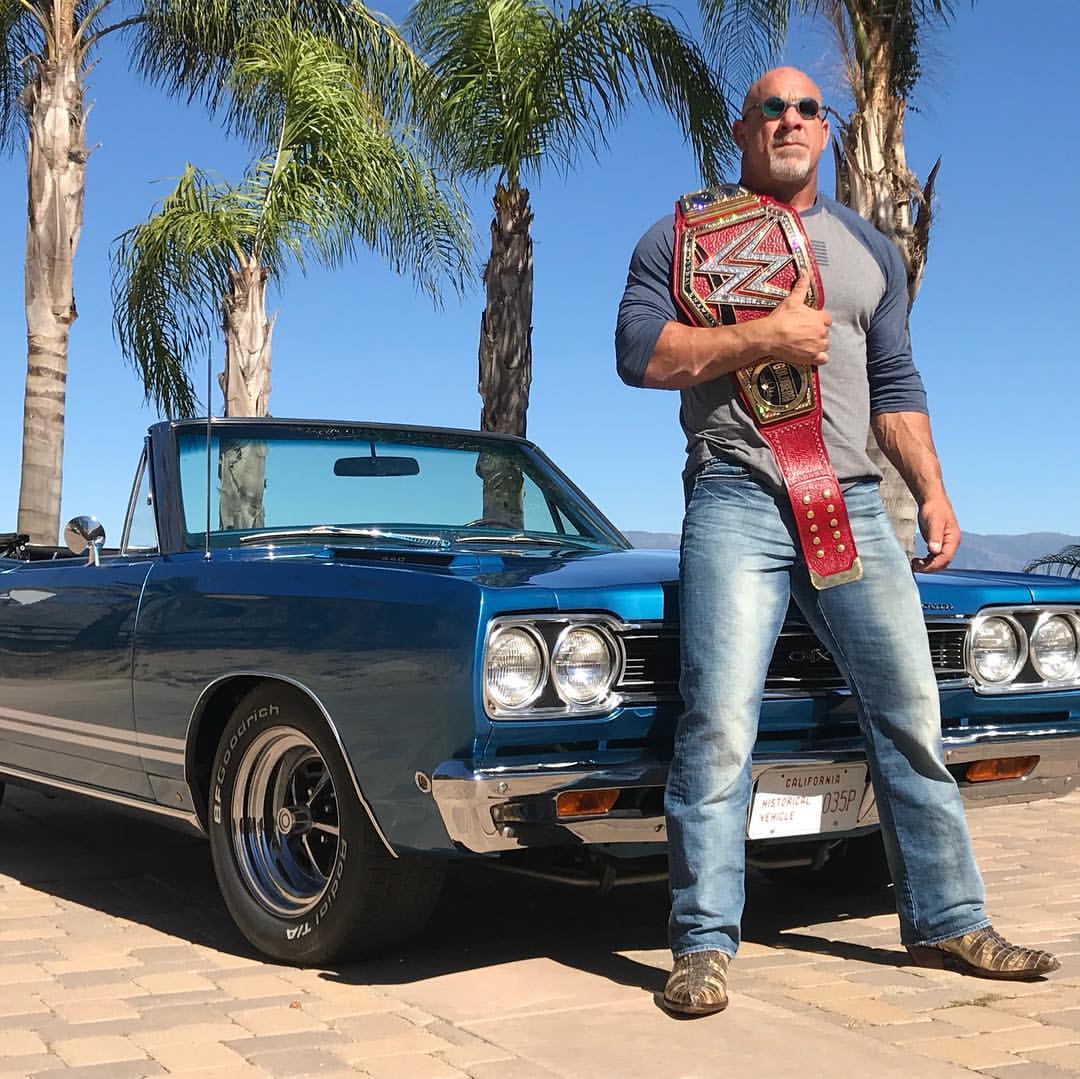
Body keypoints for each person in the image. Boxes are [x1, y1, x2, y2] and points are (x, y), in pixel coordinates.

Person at [615, 66, 1060, 1017]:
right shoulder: (681, 235)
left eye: (807, 109)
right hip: (736, 492)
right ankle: (703, 943)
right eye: (771, 108)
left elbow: (894, 382)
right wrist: (762, 337)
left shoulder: (869, 250)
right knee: (719, 722)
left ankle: (947, 918)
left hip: (851, 503)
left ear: (828, 131)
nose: (789, 119)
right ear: (743, 129)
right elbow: (638, 352)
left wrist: (933, 491)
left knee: (911, 712)